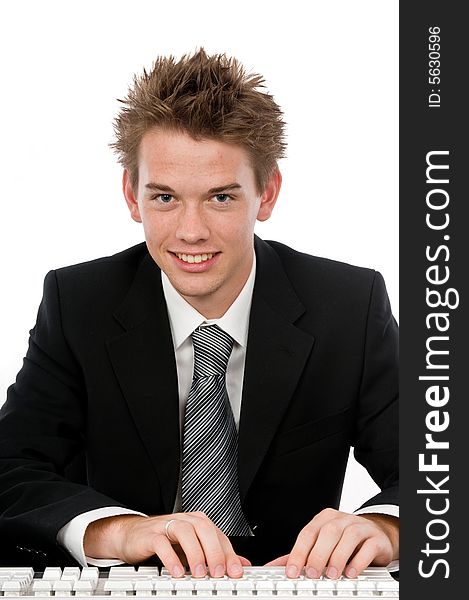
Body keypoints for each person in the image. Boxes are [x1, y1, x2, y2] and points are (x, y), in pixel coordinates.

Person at [0, 49, 398, 579]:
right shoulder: (79, 303)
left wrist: (386, 527)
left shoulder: (349, 304)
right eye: (164, 197)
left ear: (268, 192)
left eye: (220, 198)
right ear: (131, 194)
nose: (190, 232)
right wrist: (119, 530)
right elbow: (11, 467)